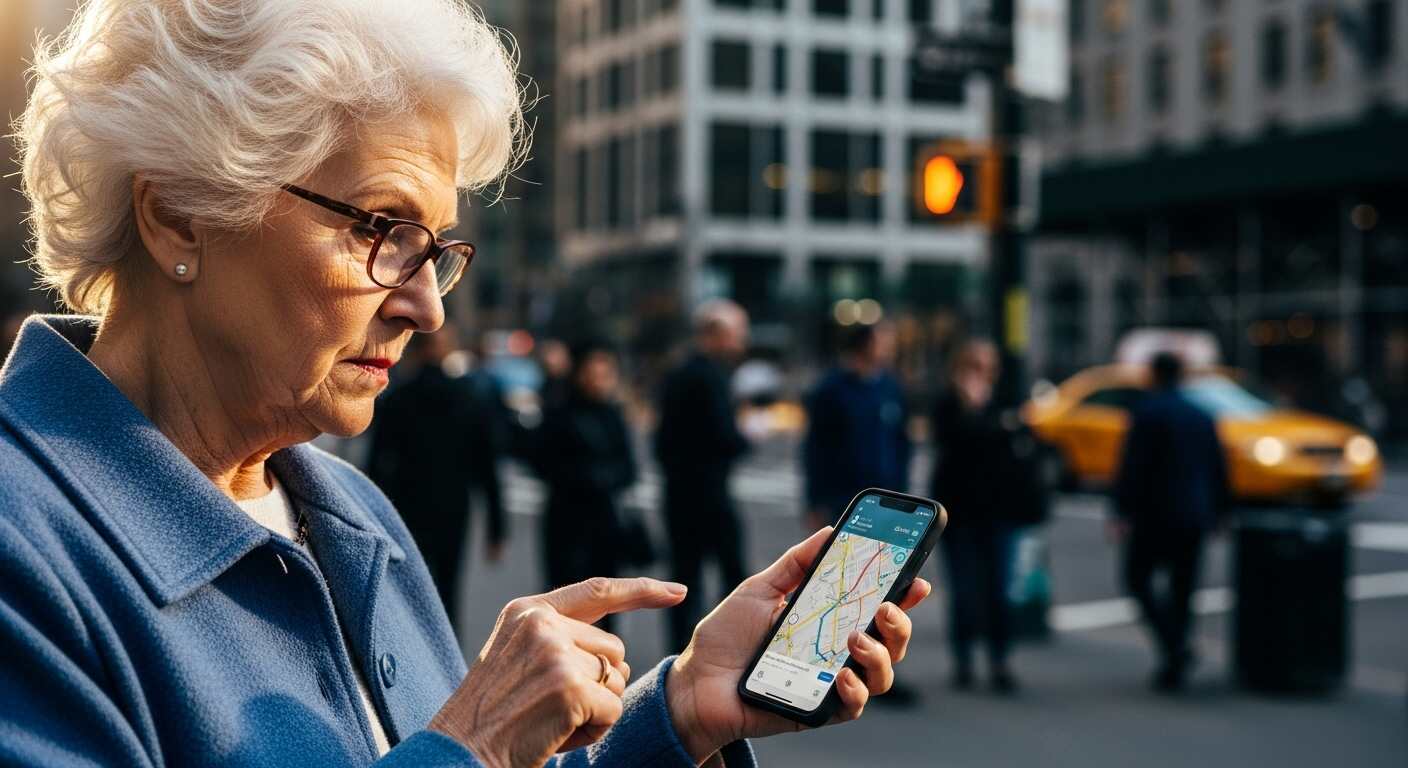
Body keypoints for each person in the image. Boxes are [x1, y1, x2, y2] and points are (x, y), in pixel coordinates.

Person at [0, 1, 929, 765]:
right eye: (379, 229)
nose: (427, 307)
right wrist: (473, 743)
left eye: (436, 250)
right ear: (178, 216)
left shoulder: (354, 513)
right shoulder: (25, 546)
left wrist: (679, 709)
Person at [366, 325, 506, 637]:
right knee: (448, 586)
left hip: (405, 503)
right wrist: (497, 527)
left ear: (417, 350)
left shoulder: (398, 397)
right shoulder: (469, 398)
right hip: (454, 505)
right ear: (446, 351)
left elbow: (377, 462)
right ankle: (445, 658)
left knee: (406, 586)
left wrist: (370, 514)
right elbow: (487, 466)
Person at [1111, 351, 1231, 692]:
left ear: (1154, 375)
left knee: (1137, 579)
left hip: (1155, 516)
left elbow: (1133, 468)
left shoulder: (1148, 413)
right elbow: (1217, 468)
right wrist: (1221, 512)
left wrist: (1122, 510)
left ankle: (1173, 647)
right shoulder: (1201, 416)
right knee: (1183, 589)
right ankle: (1175, 652)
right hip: (1193, 516)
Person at [655, 300, 752, 652]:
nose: (741, 342)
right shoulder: (710, 376)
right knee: (734, 577)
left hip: (679, 493)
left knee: (683, 581)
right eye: (736, 334)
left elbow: (662, 440)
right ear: (716, 335)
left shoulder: (678, 373)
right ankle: (734, 649)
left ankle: (680, 652)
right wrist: (747, 438)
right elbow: (723, 436)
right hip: (709, 493)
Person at [930, 339, 1020, 693]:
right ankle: (964, 659)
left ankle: (1000, 660)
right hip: (959, 515)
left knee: (999, 590)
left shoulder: (1004, 402)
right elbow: (951, 444)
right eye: (972, 367)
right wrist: (970, 409)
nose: (980, 375)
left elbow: (1009, 448)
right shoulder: (948, 405)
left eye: (986, 367)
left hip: (998, 512)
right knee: (965, 591)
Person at [532, 340, 638, 627]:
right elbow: (542, 463)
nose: (600, 382)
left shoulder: (613, 415)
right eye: (593, 374)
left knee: (607, 604)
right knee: (567, 607)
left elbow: (630, 468)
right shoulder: (560, 412)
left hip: (605, 522)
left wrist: (602, 478)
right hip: (567, 522)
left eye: (606, 375)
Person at [802, 323, 912, 532]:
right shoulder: (831, 389)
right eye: (883, 342)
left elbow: (902, 444)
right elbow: (816, 447)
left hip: (885, 495)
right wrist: (815, 501)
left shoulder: (891, 387)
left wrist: (902, 494)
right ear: (865, 345)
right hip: (843, 495)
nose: (889, 348)